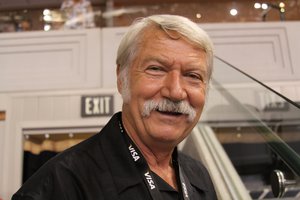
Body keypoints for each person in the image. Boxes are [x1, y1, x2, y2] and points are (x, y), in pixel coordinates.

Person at [12, 14, 217, 199]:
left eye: (192, 76)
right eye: (156, 69)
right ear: (122, 78)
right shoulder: (60, 185)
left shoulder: (198, 177)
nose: (175, 92)